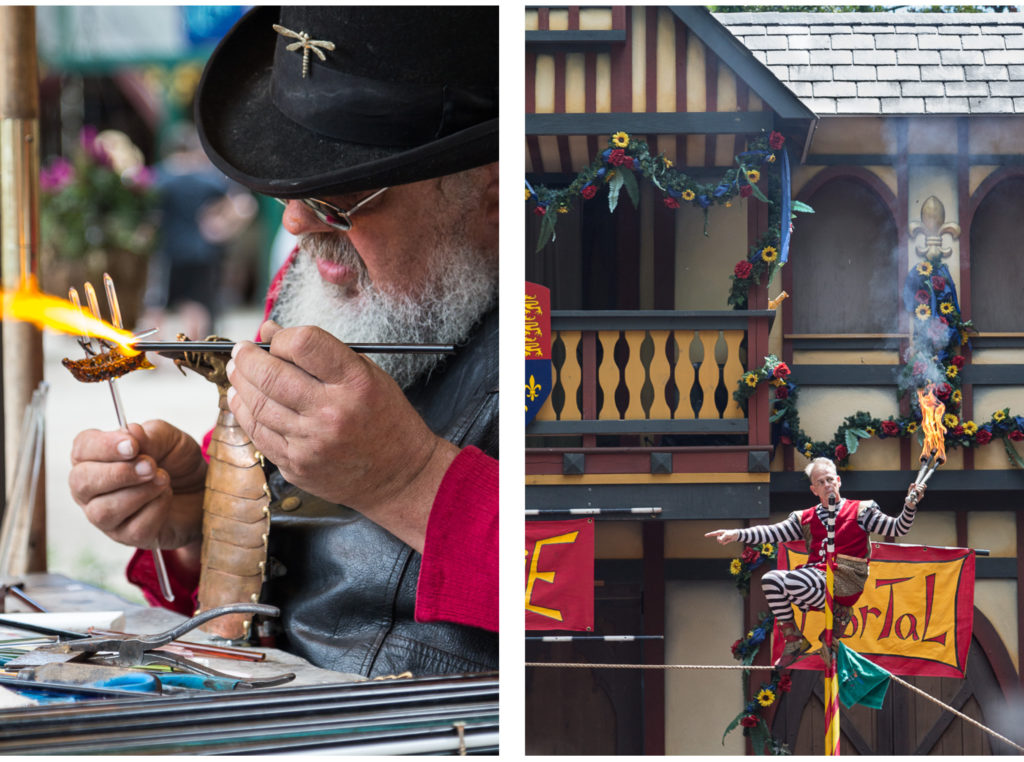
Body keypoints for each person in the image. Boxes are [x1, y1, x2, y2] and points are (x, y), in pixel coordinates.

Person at [68, 6, 499, 679]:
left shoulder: (600, 324)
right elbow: (250, 616)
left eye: (340, 199)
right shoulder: (315, 273)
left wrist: (410, 482)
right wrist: (196, 523)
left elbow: (615, 585)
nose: (297, 224)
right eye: (284, 190)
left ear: (490, 192)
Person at [705, 457, 925, 667]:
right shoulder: (806, 518)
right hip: (815, 577)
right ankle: (794, 640)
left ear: (838, 481)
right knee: (770, 579)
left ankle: (839, 612)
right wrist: (736, 534)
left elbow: (898, 528)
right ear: (814, 490)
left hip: (847, 578)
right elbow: (772, 532)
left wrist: (909, 506)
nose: (827, 484)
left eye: (830, 479)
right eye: (820, 482)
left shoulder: (861, 511)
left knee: (793, 581)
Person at [142, 121, 256, 339]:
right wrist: (222, 227)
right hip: (202, 251)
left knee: (156, 305)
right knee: (196, 305)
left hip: (168, 251)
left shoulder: (159, 177)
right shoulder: (208, 178)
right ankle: (195, 352)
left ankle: (154, 355)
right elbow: (245, 205)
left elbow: (145, 213)